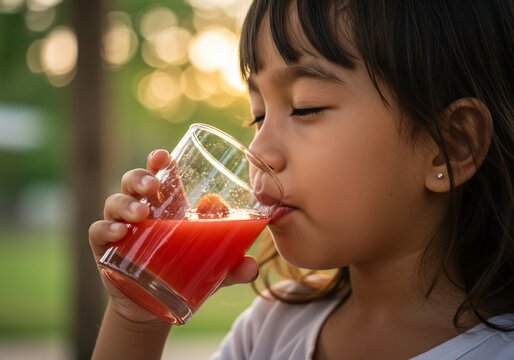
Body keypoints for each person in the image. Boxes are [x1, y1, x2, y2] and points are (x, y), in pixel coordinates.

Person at [88, 0, 514, 359]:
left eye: (306, 107)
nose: (258, 151)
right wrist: (138, 317)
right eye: (258, 115)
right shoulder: (268, 334)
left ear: (451, 147)